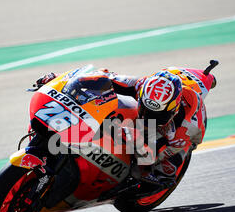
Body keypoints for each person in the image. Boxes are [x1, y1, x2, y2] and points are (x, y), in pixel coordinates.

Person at [36, 65, 216, 188]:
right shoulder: (140, 85)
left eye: (157, 114)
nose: (149, 116)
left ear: (173, 109)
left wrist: (133, 137)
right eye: (146, 109)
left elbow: (153, 154)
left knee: (160, 170)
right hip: (169, 82)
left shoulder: (185, 126)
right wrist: (59, 80)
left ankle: (163, 178)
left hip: (180, 134)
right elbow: (103, 77)